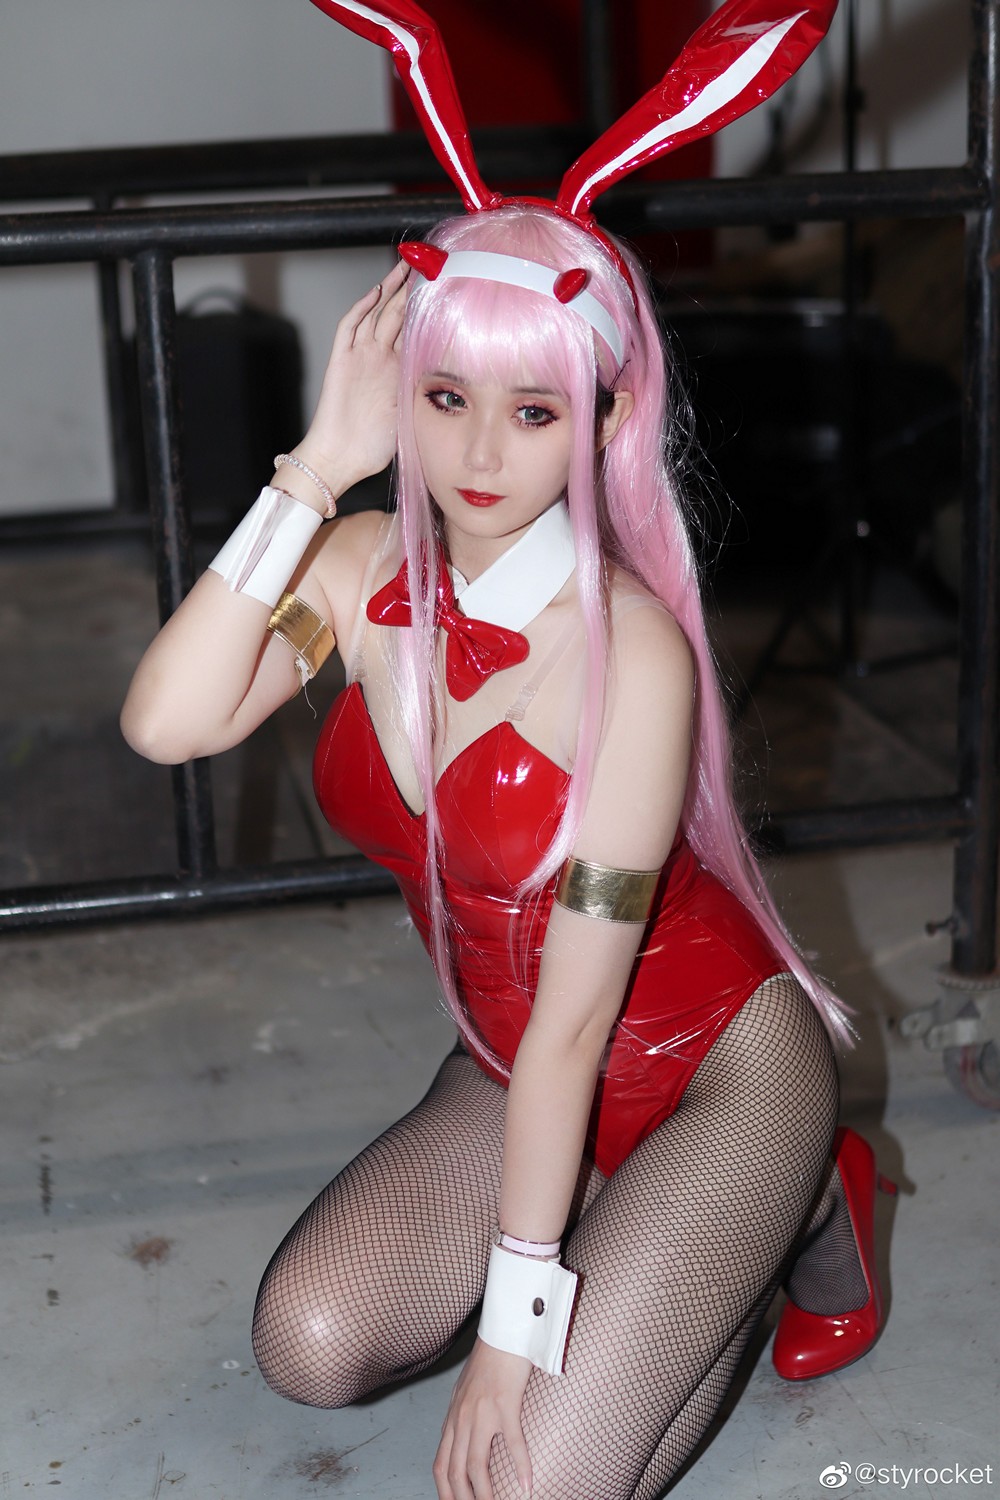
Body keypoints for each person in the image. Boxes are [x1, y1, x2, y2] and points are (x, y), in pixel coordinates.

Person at [121, 3, 895, 1496]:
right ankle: (651, 1244)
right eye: (446, 398)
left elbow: (579, 1025)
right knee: (309, 1342)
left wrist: (513, 1328)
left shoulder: (634, 656)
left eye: (533, 410)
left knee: (532, 1476)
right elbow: (166, 722)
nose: (480, 456)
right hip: (508, 1060)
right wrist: (315, 470)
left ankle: (791, 1198)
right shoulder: (355, 570)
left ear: (600, 418)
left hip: (707, 1071)